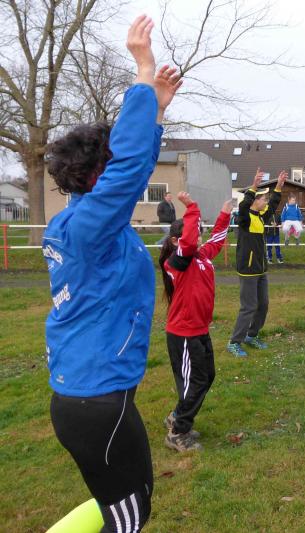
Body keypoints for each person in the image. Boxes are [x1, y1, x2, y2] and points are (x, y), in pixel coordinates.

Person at [42, 16, 181, 532]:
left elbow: (132, 169)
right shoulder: (88, 229)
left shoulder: (84, 222)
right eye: (113, 158)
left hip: (92, 394)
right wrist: (142, 72)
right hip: (95, 403)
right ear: (98, 174)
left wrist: (157, 112)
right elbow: (127, 169)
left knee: (129, 504)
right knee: (128, 519)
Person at [159, 193, 232, 452]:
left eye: (199, 233)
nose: (198, 238)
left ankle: (177, 416)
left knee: (206, 376)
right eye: (195, 233)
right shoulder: (176, 262)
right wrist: (192, 209)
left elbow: (217, 239)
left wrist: (224, 214)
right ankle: (178, 432)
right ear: (175, 241)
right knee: (195, 382)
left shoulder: (202, 256)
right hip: (184, 333)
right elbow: (188, 243)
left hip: (200, 329)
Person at [226, 168, 285, 357]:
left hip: (261, 268)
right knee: (249, 307)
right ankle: (234, 342)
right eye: (263, 199)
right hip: (248, 269)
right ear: (255, 201)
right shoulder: (244, 218)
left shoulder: (260, 216)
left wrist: (278, 187)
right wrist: (254, 186)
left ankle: (251, 335)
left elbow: (273, 205)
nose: (266, 202)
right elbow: (244, 205)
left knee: (263, 305)